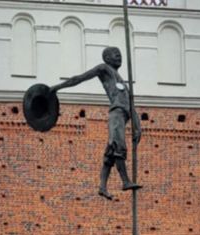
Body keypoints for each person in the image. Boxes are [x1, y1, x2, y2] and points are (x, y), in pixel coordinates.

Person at [48, 46, 142, 200]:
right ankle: (125, 181)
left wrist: (138, 127)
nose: (119, 56)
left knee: (111, 152)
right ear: (106, 58)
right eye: (114, 54)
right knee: (118, 147)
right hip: (117, 114)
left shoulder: (123, 83)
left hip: (123, 117)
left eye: (120, 54)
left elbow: (131, 106)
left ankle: (102, 187)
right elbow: (79, 78)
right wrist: (57, 87)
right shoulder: (104, 69)